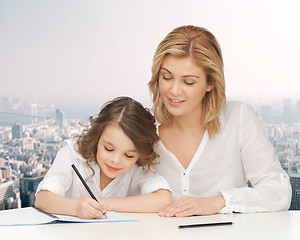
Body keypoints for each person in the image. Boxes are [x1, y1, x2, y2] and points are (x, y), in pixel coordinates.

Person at [148, 25, 292, 217]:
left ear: (210, 83)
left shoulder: (238, 117)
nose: (174, 90)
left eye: (188, 82)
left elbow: (279, 191)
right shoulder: (144, 126)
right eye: (166, 77)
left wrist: (219, 202)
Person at [35, 96, 173, 219]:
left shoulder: (137, 167)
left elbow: (164, 200)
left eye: (128, 155)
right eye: (108, 149)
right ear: (97, 138)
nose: (116, 160)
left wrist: (103, 204)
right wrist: (76, 208)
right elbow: (43, 199)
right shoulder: (72, 154)